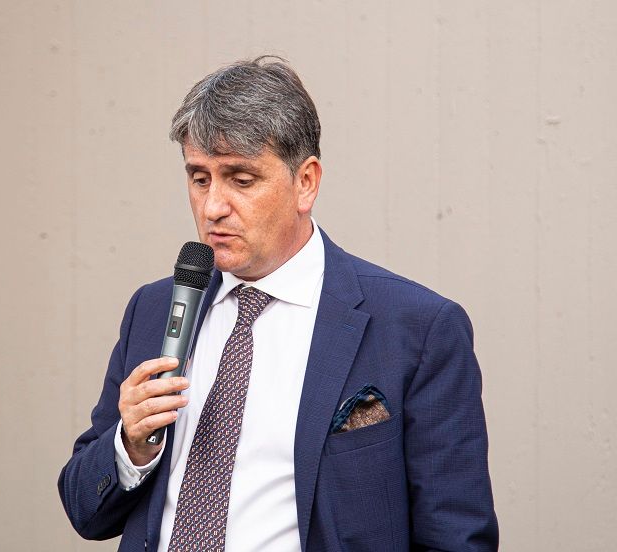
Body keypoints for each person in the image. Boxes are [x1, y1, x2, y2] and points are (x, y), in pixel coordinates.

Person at [58, 56, 498, 551]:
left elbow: (456, 536)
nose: (212, 207)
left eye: (241, 180)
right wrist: (130, 446)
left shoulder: (416, 327)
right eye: (200, 178)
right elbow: (84, 511)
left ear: (305, 182)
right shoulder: (156, 308)